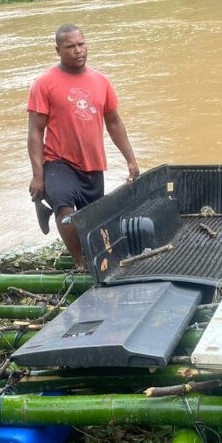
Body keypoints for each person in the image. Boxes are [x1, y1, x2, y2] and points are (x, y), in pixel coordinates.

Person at [27, 23, 140, 270]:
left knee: (92, 222)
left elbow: (114, 122)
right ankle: (80, 263)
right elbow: (35, 131)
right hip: (58, 161)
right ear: (58, 50)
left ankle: (53, 217)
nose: (78, 50)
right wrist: (38, 176)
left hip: (93, 164)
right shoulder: (44, 83)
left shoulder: (101, 81)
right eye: (70, 47)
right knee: (66, 210)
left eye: (81, 44)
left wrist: (131, 160)